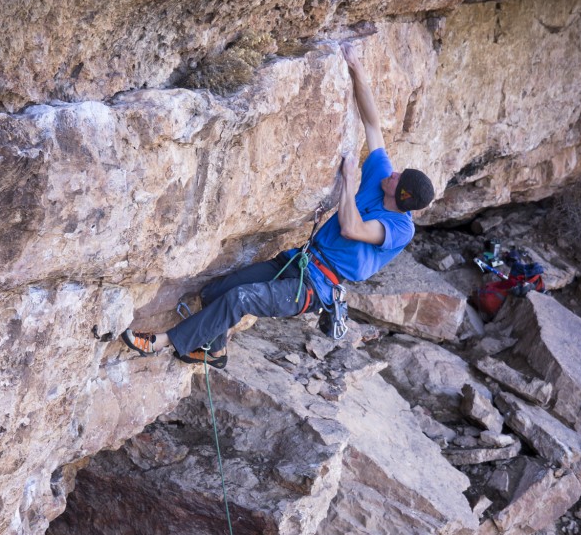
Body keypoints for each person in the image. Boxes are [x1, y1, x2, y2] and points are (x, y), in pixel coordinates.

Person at [122, 42, 434, 368]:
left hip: (313, 288)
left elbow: (351, 228)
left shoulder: (400, 228)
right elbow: (372, 125)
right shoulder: (382, 179)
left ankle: (159, 342)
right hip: (298, 262)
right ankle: (214, 351)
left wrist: (349, 185)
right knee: (218, 291)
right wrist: (356, 67)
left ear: (403, 198)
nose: (393, 172)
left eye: (399, 178)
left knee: (240, 299)